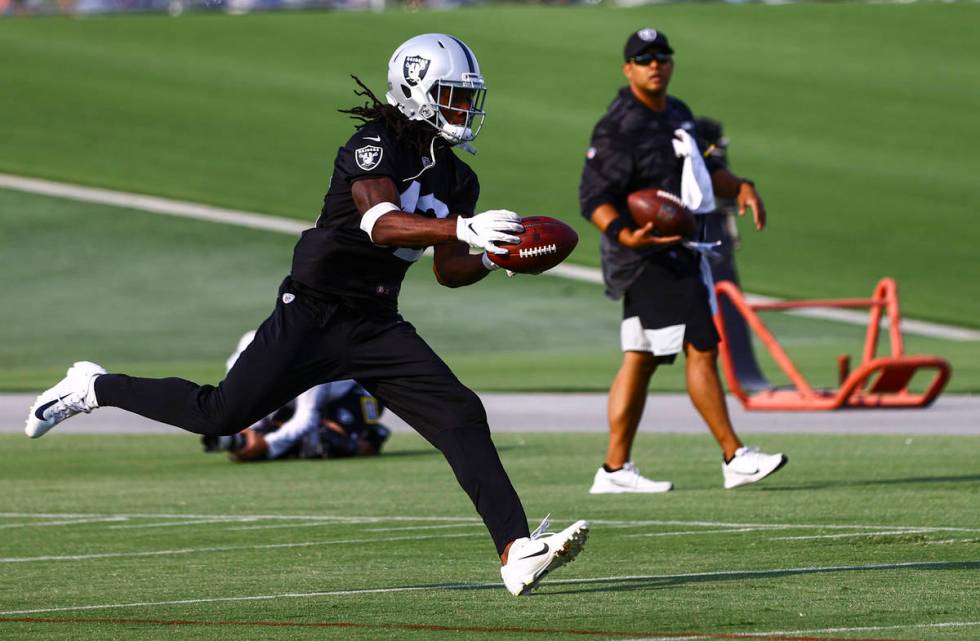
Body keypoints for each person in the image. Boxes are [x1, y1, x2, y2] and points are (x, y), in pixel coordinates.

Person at [25, 33, 588, 596]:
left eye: (468, 97)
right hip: (313, 312)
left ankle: (515, 551)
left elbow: (448, 269)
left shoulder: (459, 177)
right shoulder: (375, 140)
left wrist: (490, 256)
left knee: (460, 413)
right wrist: (463, 228)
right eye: (451, 95)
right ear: (416, 90)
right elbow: (380, 222)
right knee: (220, 414)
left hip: (374, 320)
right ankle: (95, 386)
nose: (464, 108)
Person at [579, 28, 788, 493]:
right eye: (644, 57)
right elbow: (594, 196)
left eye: (662, 56)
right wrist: (626, 234)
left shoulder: (677, 113)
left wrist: (742, 185)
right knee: (702, 345)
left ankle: (614, 470)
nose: (655, 64)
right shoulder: (618, 126)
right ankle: (735, 455)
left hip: (675, 251)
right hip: (650, 254)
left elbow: (704, 167)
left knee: (641, 358)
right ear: (627, 68)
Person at [201, 331, 391, 462]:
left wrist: (267, 445)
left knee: (325, 440)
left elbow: (306, 418)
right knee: (285, 433)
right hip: (300, 403)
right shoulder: (244, 371)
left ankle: (369, 438)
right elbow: (249, 409)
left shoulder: (303, 365)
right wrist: (247, 435)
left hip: (355, 393)